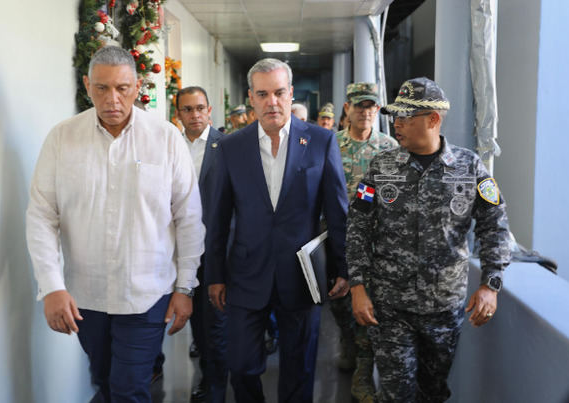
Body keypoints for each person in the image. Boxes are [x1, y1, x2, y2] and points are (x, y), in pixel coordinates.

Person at [25, 46, 205, 402]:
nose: (112, 99)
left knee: (129, 388)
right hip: (85, 296)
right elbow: (42, 215)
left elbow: (188, 218)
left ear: (137, 87)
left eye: (122, 88)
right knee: (105, 383)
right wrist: (51, 286)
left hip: (147, 294)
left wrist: (185, 287)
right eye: (102, 88)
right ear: (87, 85)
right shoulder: (62, 138)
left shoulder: (166, 138)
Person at [347, 77, 512, 402]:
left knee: (433, 391)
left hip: (444, 308)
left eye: (406, 118)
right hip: (390, 306)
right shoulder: (380, 168)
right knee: (396, 394)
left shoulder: (470, 168)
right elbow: (358, 226)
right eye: (396, 116)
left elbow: (495, 224)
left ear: (433, 120)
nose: (397, 124)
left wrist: (491, 284)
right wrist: (357, 286)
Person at [205, 58, 349, 403]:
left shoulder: (320, 142)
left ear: (290, 94)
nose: (272, 101)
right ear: (251, 98)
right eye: (263, 94)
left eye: (279, 93)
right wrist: (215, 275)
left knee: (299, 369)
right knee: (240, 367)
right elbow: (218, 218)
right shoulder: (230, 147)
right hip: (245, 274)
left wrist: (343, 269)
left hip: (302, 277)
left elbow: (337, 212)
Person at [331, 82, 398, 403]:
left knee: (367, 304)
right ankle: (346, 339)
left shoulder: (389, 147)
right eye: (360, 106)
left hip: (374, 242)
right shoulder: (331, 144)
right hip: (337, 237)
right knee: (339, 302)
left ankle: (363, 372)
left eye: (372, 106)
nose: (366, 111)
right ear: (348, 108)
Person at [176, 86, 229, 402]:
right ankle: (208, 377)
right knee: (196, 322)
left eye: (199, 108)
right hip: (180, 252)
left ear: (209, 110)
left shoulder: (227, 147)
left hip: (215, 252)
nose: (194, 115)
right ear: (178, 113)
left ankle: (216, 388)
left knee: (216, 327)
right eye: (187, 109)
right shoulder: (169, 147)